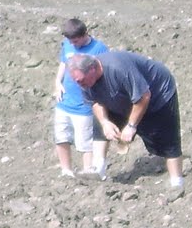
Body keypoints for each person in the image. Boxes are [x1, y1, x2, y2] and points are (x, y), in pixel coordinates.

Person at [66, 50, 185, 188]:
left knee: (168, 142)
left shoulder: (118, 69)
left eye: (81, 81)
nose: (80, 85)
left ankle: (177, 183)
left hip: (157, 95)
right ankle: (98, 168)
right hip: (122, 97)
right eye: (77, 82)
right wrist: (105, 123)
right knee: (99, 124)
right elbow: (95, 101)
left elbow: (144, 96)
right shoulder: (85, 81)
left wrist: (131, 125)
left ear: (92, 69)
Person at [52, 18, 107, 178]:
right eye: (70, 41)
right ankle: (66, 171)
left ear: (85, 34)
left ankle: (88, 172)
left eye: (76, 41)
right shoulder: (67, 45)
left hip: (84, 106)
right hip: (64, 102)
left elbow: (103, 74)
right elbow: (63, 63)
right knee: (61, 137)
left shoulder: (99, 49)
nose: (73, 44)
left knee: (85, 143)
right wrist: (57, 82)